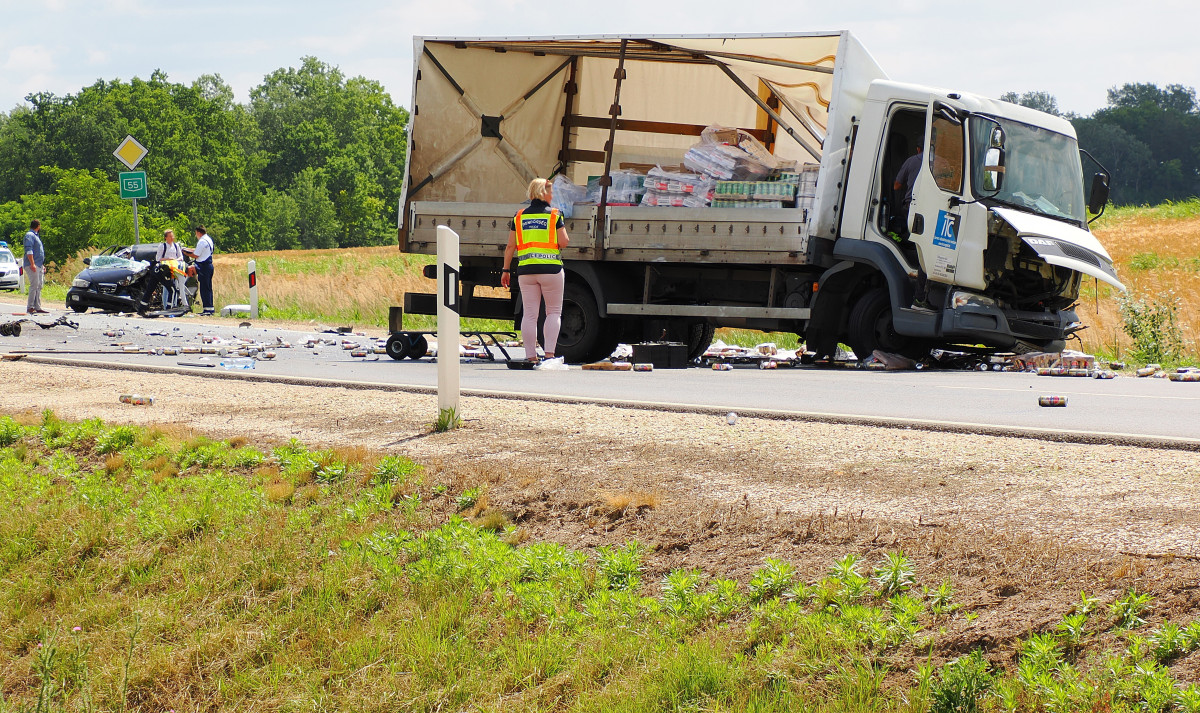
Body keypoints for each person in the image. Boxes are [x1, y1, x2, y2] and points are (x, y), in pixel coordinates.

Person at [501, 178, 569, 364]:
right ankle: (549, 356)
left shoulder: (519, 216)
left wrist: (506, 269)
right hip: (551, 270)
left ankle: (530, 356)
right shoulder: (555, 215)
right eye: (551, 191)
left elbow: (510, 246)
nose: (552, 195)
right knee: (553, 312)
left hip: (526, 271)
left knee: (530, 314)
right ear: (543, 193)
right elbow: (563, 242)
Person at [147, 229, 187, 309]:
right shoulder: (162, 246)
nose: (172, 237)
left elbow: (181, 257)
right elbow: (158, 258)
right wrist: (168, 259)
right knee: (166, 288)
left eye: (172, 236)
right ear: (166, 237)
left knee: (175, 287)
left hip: (175, 269)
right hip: (166, 270)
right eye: (170, 236)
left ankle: (174, 305)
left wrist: (175, 260)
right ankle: (166, 306)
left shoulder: (176, 246)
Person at [184, 225, 215, 316]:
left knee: (204, 289)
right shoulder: (208, 239)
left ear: (198, 232)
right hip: (209, 265)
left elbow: (195, 255)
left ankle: (207, 310)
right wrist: (188, 249)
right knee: (208, 288)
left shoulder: (201, 241)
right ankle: (210, 308)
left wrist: (184, 252)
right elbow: (198, 251)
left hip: (203, 267)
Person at [23, 219, 47, 314]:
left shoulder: (36, 236)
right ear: (38, 226)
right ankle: (30, 307)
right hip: (32, 264)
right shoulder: (30, 235)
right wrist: (32, 263)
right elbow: (29, 250)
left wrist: (41, 265)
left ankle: (38, 306)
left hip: (38, 264)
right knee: (34, 285)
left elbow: (38, 253)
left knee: (39, 285)